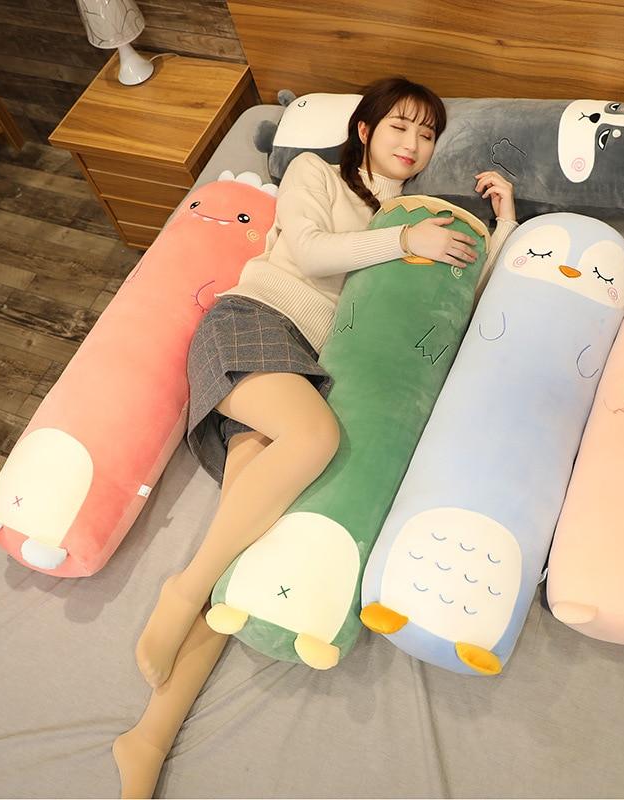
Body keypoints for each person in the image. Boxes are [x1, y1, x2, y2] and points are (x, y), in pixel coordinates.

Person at [113, 76, 518, 798]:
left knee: (246, 556)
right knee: (313, 440)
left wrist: (505, 225)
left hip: (312, 371)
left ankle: (147, 736)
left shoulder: (410, 215)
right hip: (255, 324)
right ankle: (179, 590)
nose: (414, 144)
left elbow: (460, 293)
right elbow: (309, 252)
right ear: (364, 129)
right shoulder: (317, 175)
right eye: (400, 126)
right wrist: (404, 239)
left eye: (427, 135)